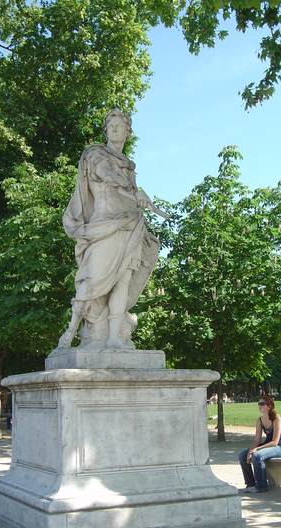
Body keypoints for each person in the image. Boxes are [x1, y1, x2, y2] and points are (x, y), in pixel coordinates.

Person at [57, 109, 164, 350]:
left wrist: (139, 199)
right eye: (111, 126)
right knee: (92, 279)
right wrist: (134, 190)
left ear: (128, 132)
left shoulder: (129, 165)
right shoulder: (96, 154)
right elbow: (105, 175)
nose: (115, 129)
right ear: (105, 130)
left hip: (129, 225)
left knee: (122, 281)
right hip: (104, 225)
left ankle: (115, 337)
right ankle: (71, 332)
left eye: (120, 126)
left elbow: (129, 195)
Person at [238, 396, 281, 493]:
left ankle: (261, 486)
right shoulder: (260, 420)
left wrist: (257, 450)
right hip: (268, 446)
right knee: (242, 456)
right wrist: (251, 450)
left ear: (269, 406)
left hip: (280, 447)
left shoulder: (277, 419)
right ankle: (250, 484)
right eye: (258, 404)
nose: (259, 406)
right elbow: (256, 440)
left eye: (262, 404)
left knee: (257, 456)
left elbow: (275, 442)